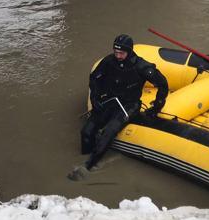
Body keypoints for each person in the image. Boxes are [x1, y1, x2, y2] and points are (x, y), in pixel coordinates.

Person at [69, 34, 168, 181]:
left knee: (108, 132)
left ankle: (88, 166)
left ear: (129, 51)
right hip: (110, 100)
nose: (118, 56)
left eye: (122, 53)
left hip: (129, 105)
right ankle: (84, 155)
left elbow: (162, 84)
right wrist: (94, 98)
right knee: (86, 131)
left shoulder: (141, 66)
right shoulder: (109, 61)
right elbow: (94, 78)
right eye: (116, 52)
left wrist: (157, 107)